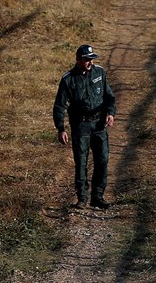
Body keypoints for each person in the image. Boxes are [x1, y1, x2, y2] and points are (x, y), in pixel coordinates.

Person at [53, 44, 117, 210]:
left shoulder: (99, 73)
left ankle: (98, 196)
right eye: (86, 59)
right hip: (81, 126)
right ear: (78, 60)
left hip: (99, 125)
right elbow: (59, 106)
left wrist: (110, 113)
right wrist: (61, 128)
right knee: (81, 162)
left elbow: (109, 97)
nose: (90, 62)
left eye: (92, 59)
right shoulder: (68, 79)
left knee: (102, 160)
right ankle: (82, 197)